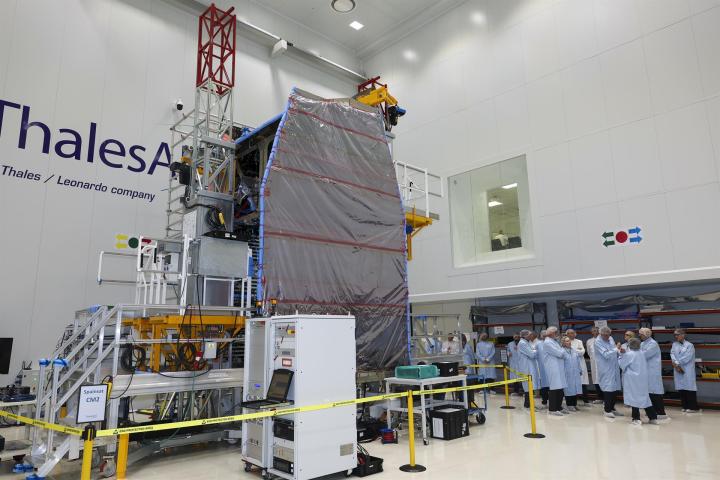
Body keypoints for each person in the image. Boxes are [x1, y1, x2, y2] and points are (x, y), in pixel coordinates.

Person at [619, 338, 659, 426]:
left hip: (632, 380)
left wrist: (621, 355)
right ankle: (653, 418)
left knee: (634, 399)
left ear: (629, 345)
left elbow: (622, 365)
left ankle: (636, 419)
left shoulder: (629, 354)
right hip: (642, 379)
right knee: (645, 398)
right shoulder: (641, 353)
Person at [594, 326, 624, 418]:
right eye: (605, 335)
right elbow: (606, 354)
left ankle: (612, 408)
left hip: (614, 366)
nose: (608, 337)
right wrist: (616, 349)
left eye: (608, 335)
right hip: (605, 368)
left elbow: (614, 350)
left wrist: (620, 351)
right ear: (601, 334)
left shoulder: (610, 338)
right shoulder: (597, 342)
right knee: (608, 388)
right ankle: (607, 410)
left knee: (615, 388)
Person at [639, 328, 667, 419]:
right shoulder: (642, 344)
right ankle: (652, 412)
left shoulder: (653, 344)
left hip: (652, 371)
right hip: (645, 371)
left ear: (646, 334)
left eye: (641, 334)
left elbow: (645, 355)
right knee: (648, 392)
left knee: (655, 392)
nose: (639, 336)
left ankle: (661, 413)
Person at [671, 329, 699, 413]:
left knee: (689, 387)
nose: (676, 336)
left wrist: (677, 363)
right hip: (677, 368)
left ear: (683, 335)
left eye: (677, 334)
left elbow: (688, 357)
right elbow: (672, 354)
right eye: (675, 335)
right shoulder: (674, 344)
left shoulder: (689, 345)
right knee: (681, 387)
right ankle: (684, 406)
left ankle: (693, 407)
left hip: (687, 369)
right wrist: (675, 363)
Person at [542, 327, 568, 416]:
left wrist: (562, 351)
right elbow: (560, 354)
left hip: (558, 367)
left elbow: (562, 354)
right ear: (551, 333)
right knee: (554, 388)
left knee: (560, 387)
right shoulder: (547, 342)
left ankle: (559, 407)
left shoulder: (554, 341)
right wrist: (562, 349)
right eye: (556, 332)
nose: (557, 334)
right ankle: (552, 409)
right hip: (552, 368)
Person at [517, 330, 544, 410]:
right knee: (528, 387)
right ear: (525, 336)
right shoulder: (522, 343)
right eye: (529, 335)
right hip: (527, 368)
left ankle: (529, 404)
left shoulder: (526, 342)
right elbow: (532, 355)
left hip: (530, 367)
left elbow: (531, 352)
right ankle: (528, 405)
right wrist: (537, 350)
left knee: (530, 387)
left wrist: (534, 351)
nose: (531, 336)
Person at [566, 329, 590, 405]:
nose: (571, 334)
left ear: (575, 334)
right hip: (570, 365)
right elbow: (567, 352)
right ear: (567, 334)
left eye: (572, 333)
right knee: (572, 384)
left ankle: (586, 401)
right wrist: (576, 350)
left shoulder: (579, 341)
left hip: (580, 364)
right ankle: (573, 403)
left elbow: (582, 352)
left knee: (583, 383)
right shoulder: (565, 342)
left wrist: (572, 350)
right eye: (569, 333)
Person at [562, 336, 583, 412]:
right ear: (563, 343)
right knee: (569, 389)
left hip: (575, 372)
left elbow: (578, 361)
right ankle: (569, 405)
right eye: (567, 341)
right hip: (567, 373)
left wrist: (580, 370)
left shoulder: (574, 350)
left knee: (575, 389)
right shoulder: (562, 351)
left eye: (569, 341)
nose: (569, 342)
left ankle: (574, 404)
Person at [586, 327, 604, 404]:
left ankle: (606, 398)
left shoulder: (603, 340)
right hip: (594, 363)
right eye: (593, 331)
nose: (595, 332)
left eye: (596, 330)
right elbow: (589, 352)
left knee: (603, 380)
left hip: (603, 363)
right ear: (591, 332)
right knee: (596, 379)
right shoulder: (589, 341)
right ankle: (600, 398)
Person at [532, 330, 550, 406]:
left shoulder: (552, 343)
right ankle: (544, 401)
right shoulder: (538, 344)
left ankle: (552, 401)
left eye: (546, 335)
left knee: (552, 386)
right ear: (541, 336)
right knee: (544, 385)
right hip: (542, 368)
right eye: (543, 335)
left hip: (551, 367)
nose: (545, 337)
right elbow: (534, 354)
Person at [461, 334, 476, 405]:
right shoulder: (459, 347)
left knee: (469, 385)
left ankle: (470, 401)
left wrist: (473, 364)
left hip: (469, 367)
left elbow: (472, 356)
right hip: (462, 368)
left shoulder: (468, 346)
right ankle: (463, 401)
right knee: (462, 385)